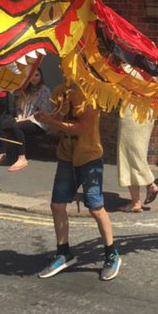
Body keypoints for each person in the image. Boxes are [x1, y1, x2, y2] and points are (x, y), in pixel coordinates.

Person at [35, 83, 120, 281]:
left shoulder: (90, 95)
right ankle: (63, 252)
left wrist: (52, 121)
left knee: (96, 208)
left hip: (89, 158)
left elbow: (82, 128)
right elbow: (56, 127)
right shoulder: (61, 92)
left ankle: (111, 254)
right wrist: (53, 116)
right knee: (57, 205)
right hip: (66, 156)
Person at [0, 67, 53, 171]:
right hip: (25, 119)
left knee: (17, 126)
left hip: (39, 122)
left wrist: (23, 120)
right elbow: (19, 108)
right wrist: (20, 117)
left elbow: (42, 113)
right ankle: (5, 154)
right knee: (3, 124)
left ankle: (22, 157)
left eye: (37, 75)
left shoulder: (45, 90)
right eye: (32, 75)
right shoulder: (25, 90)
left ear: (41, 77)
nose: (34, 78)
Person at [117, 111, 158, 212]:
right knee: (137, 154)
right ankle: (137, 200)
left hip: (132, 110)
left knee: (128, 156)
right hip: (148, 110)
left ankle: (139, 199)